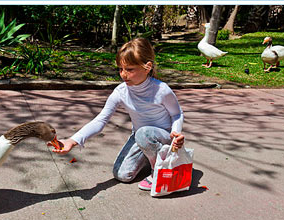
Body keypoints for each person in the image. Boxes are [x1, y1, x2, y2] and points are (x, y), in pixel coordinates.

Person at [51, 38, 185, 191]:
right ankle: (151, 156)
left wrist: (176, 135)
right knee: (122, 174)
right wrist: (73, 140)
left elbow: (177, 114)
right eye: (121, 69)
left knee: (143, 133)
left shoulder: (161, 90)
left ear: (147, 67)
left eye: (130, 69)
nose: (123, 74)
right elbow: (101, 119)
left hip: (164, 137)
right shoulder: (121, 92)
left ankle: (160, 171)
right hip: (140, 137)